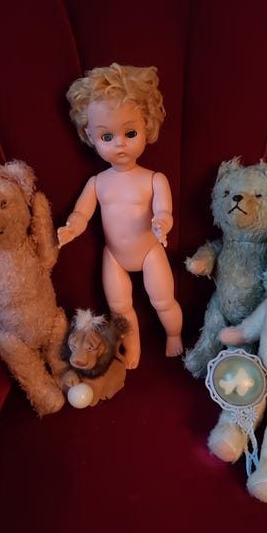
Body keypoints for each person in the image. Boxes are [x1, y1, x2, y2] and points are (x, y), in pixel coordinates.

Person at [57, 63, 183, 369]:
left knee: (163, 301)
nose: (120, 144)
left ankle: (174, 335)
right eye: (107, 137)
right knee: (119, 308)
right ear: (90, 135)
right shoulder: (97, 183)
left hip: (150, 251)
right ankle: (132, 348)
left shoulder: (154, 179)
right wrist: (73, 226)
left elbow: (164, 210)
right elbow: (82, 212)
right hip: (114, 255)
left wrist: (162, 222)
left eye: (130, 133)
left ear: (147, 128)